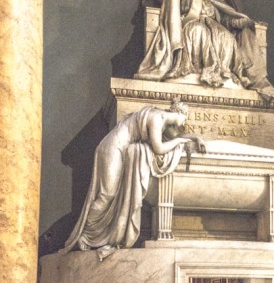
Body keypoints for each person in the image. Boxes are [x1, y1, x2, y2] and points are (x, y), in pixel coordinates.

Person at [61, 99, 205, 260]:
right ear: (179, 113)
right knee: (107, 194)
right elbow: (159, 148)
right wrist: (179, 141)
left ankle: (90, 236)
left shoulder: (161, 119)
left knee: (109, 195)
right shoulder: (156, 118)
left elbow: (176, 136)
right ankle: (85, 235)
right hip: (113, 149)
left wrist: (195, 139)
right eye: (184, 119)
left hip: (119, 150)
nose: (182, 124)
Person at [134, 0, 274, 101]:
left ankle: (223, 72)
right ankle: (199, 71)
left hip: (216, 29)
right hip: (191, 26)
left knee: (227, 37)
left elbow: (228, 21)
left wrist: (243, 22)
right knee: (199, 32)